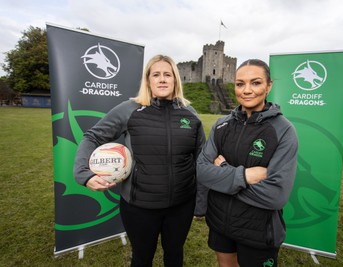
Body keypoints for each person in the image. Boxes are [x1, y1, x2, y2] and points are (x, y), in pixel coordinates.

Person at [74, 54, 205, 267]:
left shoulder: (190, 114)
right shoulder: (130, 109)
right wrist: (83, 173)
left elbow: (201, 158)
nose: (162, 79)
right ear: (148, 80)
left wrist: (201, 200)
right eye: (156, 75)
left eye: (167, 74)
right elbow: (93, 136)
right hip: (139, 207)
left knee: (175, 254)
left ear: (175, 80)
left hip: (181, 205)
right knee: (142, 258)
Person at [196, 59, 298, 267]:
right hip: (220, 222)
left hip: (258, 230)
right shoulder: (221, 124)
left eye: (256, 83)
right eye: (240, 84)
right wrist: (245, 176)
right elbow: (202, 171)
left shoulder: (284, 130)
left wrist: (223, 175)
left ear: (269, 86)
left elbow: (276, 195)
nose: (247, 90)